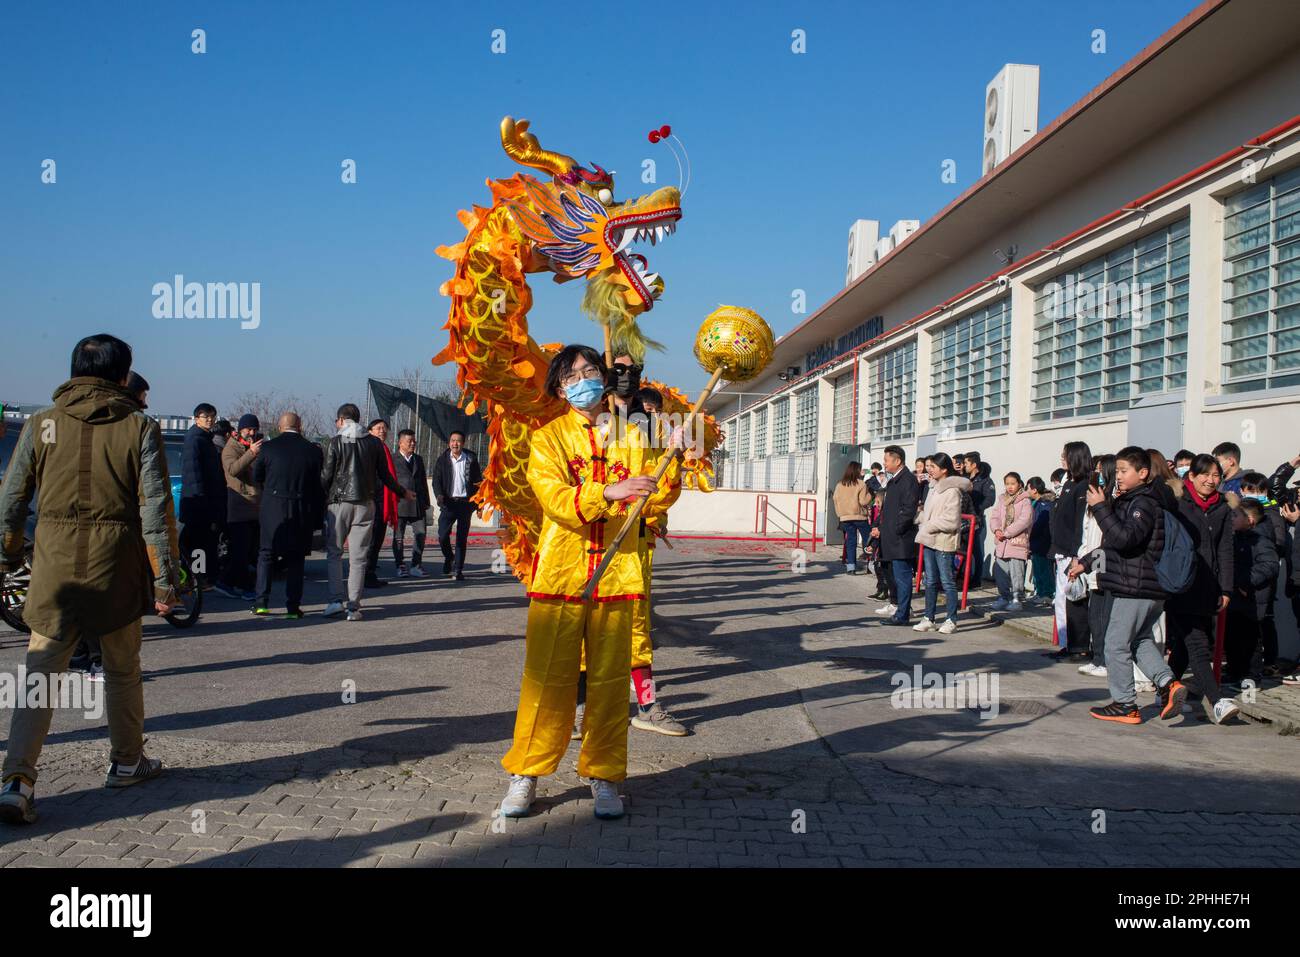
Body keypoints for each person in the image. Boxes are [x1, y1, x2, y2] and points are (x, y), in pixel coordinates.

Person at [0, 334, 180, 825]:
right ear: (122, 376)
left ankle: (17, 779)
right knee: (122, 669)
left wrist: (9, 555)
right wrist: (167, 577)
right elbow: (156, 510)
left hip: (54, 570)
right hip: (115, 568)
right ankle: (126, 761)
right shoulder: (140, 426)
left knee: (40, 673)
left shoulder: (41, 424)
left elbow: (11, 501)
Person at [499, 345, 681, 820]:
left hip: (618, 575)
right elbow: (554, 497)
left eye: (591, 371)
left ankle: (605, 778)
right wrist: (608, 491)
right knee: (546, 682)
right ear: (560, 388)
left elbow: (657, 500)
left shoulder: (633, 434)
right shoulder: (548, 438)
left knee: (607, 685)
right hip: (561, 576)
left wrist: (670, 455)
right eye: (574, 374)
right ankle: (526, 775)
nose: (585, 379)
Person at [1072, 446, 1186, 725]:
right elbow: (1112, 545)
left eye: (1124, 471)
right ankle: (1169, 684)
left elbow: (1125, 540)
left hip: (1136, 586)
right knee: (1139, 640)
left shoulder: (1144, 503)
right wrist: (1086, 563)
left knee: (1115, 644)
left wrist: (1100, 508)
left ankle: (1125, 704)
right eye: (1118, 471)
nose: (1118, 477)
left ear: (1143, 473)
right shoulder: (1132, 500)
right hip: (1143, 586)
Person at [620, 383, 686, 737]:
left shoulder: (656, 446)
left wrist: (672, 459)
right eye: (643, 407)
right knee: (583, 632)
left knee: (637, 630)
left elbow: (660, 499)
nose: (649, 414)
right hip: (592, 549)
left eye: (654, 409)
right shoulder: (598, 437)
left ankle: (646, 705)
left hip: (638, 547)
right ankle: (579, 707)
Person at [321, 403, 414, 621]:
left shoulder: (335, 442)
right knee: (359, 557)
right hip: (365, 504)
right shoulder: (373, 444)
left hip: (339, 502)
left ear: (342, 420)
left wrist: (322, 497)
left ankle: (335, 601)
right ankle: (354, 607)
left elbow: (326, 475)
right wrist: (403, 492)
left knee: (335, 553)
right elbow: (385, 475)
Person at [1165, 453, 1239, 723]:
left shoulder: (1221, 507)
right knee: (1197, 644)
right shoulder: (1177, 503)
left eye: (1216, 475)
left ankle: (1168, 688)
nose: (1211, 480)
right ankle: (1217, 702)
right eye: (1205, 474)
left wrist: (1227, 589)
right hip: (1181, 584)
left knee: (1187, 645)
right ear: (1191, 477)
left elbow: (1225, 550)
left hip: (1209, 586)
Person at [252, 413, 324, 619]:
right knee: (296, 559)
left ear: (280, 426)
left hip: (272, 507)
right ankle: (293, 606)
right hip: (301, 507)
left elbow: (257, 476)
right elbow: (317, 484)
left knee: (266, 554)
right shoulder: (312, 450)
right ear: (300, 426)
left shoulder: (268, 447)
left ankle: (261, 602)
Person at [912, 452, 969, 634]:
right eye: (928, 466)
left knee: (947, 581)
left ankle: (951, 619)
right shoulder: (933, 487)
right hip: (930, 539)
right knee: (930, 581)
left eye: (933, 467)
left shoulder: (952, 490)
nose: (929, 469)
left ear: (944, 469)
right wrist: (919, 519)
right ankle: (929, 617)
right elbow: (929, 512)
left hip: (944, 541)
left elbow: (951, 520)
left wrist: (928, 526)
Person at [1225, 499, 1279, 689]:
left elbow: (1270, 566)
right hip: (1235, 598)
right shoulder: (1235, 538)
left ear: (1249, 520)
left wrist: (1246, 581)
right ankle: (1234, 671)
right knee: (1231, 636)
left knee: (1250, 639)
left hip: (1251, 598)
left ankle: (1251, 676)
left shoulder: (1260, 540)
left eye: (1236, 515)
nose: (1232, 519)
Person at [1238, 470, 1286, 676]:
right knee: (1245, 627)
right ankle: (1241, 667)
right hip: (1244, 582)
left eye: (1259, 491)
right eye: (1250, 490)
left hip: (1261, 581)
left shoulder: (1270, 515)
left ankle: (1268, 662)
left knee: (1264, 621)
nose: (1254, 494)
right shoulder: (1238, 515)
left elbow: (1278, 546)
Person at [1049, 442, 1092, 659]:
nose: (1062, 459)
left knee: (1073, 599)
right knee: (1060, 600)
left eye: (1065, 455)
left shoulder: (1083, 486)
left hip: (1071, 553)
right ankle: (1066, 644)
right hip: (1060, 550)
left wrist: (1076, 554)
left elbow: (1080, 524)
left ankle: (1078, 646)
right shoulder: (1068, 484)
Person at [216, 413, 263, 601]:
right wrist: (251, 453)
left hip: (255, 506)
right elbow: (233, 470)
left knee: (248, 551)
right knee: (240, 551)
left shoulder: (256, 445)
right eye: (248, 429)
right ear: (240, 430)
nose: (251, 433)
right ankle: (245, 587)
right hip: (239, 505)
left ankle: (225, 582)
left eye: (254, 429)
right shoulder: (231, 448)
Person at [870, 445, 919, 624]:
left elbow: (907, 511)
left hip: (901, 539)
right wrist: (881, 528)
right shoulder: (894, 480)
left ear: (897, 461)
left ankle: (903, 614)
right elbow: (887, 511)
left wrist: (896, 530)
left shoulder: (908, 480)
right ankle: (899, 610)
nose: (884, 463)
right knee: (895, 577)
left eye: (886, 460)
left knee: (903, 578)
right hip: (890, 537)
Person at [1076, 455, 1116, 677]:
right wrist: (1082, 557)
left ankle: (1105, 660)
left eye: (1102, 471)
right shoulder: (1092, 501)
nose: (1098, 474)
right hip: (1091, 559)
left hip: (1103, 561)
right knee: (1094, 614)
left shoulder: (1111, 502)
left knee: (1104, 616)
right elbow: (1086, 532)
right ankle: (1097, 656)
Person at [180, 402, 226, 587]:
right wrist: (200, 499)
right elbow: (193, 472)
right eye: (205, 416)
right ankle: (197, 578)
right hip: (199, 502)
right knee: (197, 543)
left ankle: (200, 577)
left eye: (212, 416)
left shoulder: (204, 437)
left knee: (202, 542)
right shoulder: (195, 439)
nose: (209, 420)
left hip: (206, 501)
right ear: (196, 418)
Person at [433, 430, 482, 581]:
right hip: (449, 503)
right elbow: (436, 481)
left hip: (465, 504)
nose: (455, 443)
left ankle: (458, 569)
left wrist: (480, 504)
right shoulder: (442, 459)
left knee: (461, 538)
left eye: (458, 441)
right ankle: (449, 557)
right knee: (442, 535)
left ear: (463, 443)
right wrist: (440, 496)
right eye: (453, 440)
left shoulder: (471, 458)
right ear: (449, 443)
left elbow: (478, 482)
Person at [363, 419, 399, 588]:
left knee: (377, 539)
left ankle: (370, 572)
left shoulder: (383, 448)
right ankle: (366, 574)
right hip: (374, 500)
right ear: (370, 431)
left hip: (382, 499)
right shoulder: (370, 448)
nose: (382, 431)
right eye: (378, 428)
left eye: (385, 428)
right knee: (372, 539)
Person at [989, 471, 1032, 611]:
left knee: (1016, 573)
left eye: (1013, 483)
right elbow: (994, 517)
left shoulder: (1025, 501)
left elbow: (1024, 521)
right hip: (1001, 542)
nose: (1010, 487)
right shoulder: (1002, 499)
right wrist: (997, 530)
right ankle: (1004, 597)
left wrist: (1007, 533)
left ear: (1019, 484)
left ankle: (1016, 598)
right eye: (1007, 484)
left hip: (1017, 543)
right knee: (1001, 573)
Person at [391, 429, 430, 578]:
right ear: (400, 443)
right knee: (398, 536)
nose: (413, 443)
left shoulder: (418, 459)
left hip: (418, 503)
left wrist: (426, 501)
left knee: (421, 533)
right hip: (400, 503)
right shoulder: (393, 459)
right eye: (409, 441)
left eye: (414, 441)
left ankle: (416, 564)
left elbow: (423, 481)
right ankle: (400, 564)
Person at [834, 462, 873, 575]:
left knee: (851, 542)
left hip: (845, 517)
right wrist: (870, 494)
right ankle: (869, 564)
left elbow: (835, 500)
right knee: (868, 540)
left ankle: (851, 567)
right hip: (859, 516)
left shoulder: (840, 484)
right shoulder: (861, 484)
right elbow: (863, 501)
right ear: (857, 470)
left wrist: (840, 514)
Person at [963, 452, 995, 587]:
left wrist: (976, 508)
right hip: (962, 520)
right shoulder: (964, 479)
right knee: (963, 550)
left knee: (976, 550)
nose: (964, 466)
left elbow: (990, 499)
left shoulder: (985, 480)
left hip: (976, 520)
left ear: (974, 464)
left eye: (966, 463)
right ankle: (963, 576)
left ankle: (976, 580)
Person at [1025, 477, 1056, 607]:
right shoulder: (1035, 502)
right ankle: (1040, 592)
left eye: (1028, 488)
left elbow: (1038, 524)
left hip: (1042, 543)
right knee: (1037, 569)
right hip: (1035, 542)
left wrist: (1029, 535)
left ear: (1034, 489)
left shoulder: (1044, 504)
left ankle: (1046, 594)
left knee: (1043, 569)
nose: (1026, 491)